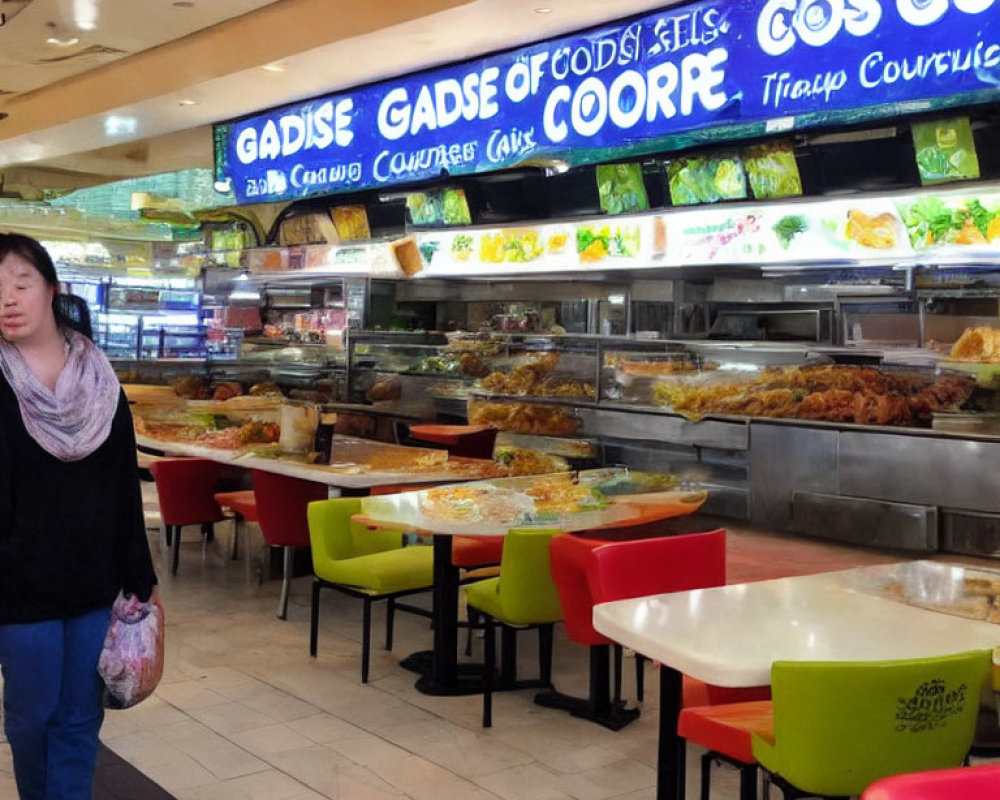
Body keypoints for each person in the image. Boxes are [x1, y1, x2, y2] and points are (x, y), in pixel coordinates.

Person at [0, 233, 158, 800]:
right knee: (30, 718)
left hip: (95, 584)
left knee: (79, 718)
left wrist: (140, 579)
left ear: (52, 290)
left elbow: (122, 484)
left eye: (21, 284)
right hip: (18, 590)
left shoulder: (100, 379)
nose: (8, 300)